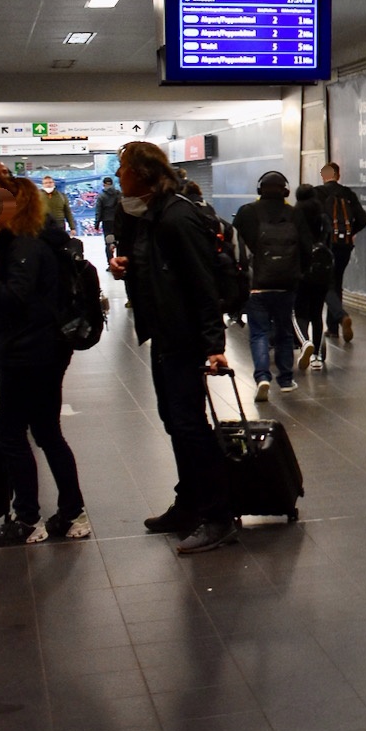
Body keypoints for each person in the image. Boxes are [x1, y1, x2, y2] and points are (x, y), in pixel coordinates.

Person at [110, 141, 237, 554]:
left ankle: (218, 516)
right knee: (174, 421)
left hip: (184, 338)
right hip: (165, 334)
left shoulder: (176, 217)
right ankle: (189, 504)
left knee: (189, 425)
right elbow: (157, 270)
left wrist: (214, 344)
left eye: (123, 168)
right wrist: (127, 266)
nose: (119, 175)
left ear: (141, 174)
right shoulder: (152, 215)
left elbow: (202, 282)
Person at [0, 179, 88, 546]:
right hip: (41, 350)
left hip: (28, 355)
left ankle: (28, 519)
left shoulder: (24, 245)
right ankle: (72, 514)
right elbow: (24, 297)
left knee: (11, 434)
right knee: (47, 433)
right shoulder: (24, 241)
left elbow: (15, 298)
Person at [232, 171, 305, 400]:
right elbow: (306, 247)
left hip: (257, 284)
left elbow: (235, 247)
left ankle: (262, 377)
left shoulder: (247, 212)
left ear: (259, 189)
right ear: (286, 191)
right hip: (286, 285)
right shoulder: (294, 214)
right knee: (284, 332)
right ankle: (285, 380)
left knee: (259, 333)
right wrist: (299, 274)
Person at [316, 162, 366, 345]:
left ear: (323, 176)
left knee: (324, 284)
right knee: (336, 282)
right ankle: (333, 328)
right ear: (338, 175)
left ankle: (341, 316)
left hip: (324, 247)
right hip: (344, 246)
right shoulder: (348, 194)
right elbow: (363, 219)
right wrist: (350, 233)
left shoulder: (317, 194)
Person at [293, 183, 334, 371]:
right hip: (322, 270)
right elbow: (329, 242)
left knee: (301, 312)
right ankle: (317, 355)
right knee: (317, 314)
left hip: (301, 271)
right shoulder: (323, 216)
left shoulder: (294, 215)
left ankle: (305, 344)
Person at [95, 175, 123, 260]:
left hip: (107, 221)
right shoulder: (119, 194)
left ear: (104, 184)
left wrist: (97, 224)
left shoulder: (101, 196)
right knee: (119, 241)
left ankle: (111, 262)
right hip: (118, 220)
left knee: (109, 242)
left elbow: (98, 211)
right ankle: (120, 260)